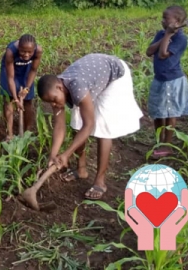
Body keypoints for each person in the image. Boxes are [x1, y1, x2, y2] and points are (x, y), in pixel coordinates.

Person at [36, 53, 143, 200]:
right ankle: (81, 170)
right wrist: (53, 155)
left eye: (54, 100)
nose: (54, 104)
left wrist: (66, 154)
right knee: (76, 125)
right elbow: (60, 125)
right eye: (50, 103)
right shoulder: (55, 92)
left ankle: (100, 181)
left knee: (102, 130)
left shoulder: (77, 87)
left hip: (115, 75)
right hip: (93, 76)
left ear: (60, 87)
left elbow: (89, 125)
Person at [145, 5, 188, 159]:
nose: (163, 20)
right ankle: (159, 141)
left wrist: (168, 35)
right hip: (159, 79)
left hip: (172, 80)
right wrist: (165, 34)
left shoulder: (180, 38)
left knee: (170, 113)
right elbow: (149, 51)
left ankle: (167, 145)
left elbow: (164, 54)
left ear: (177, 22)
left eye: (166, 18)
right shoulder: (161, 34)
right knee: (158, 112)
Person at [0, 34, 43, 141]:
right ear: (19, 47)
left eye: (30, 52)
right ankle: (9, 134)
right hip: (10, 71)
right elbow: (10, 78)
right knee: (8, 101)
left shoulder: (38, 51)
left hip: (27, 70)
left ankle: (26, 133)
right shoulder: (10, 51)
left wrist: (27, 88)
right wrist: (15, 98)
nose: (27, 55)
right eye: (23, 51)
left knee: (28, 102)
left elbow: (33, 70)